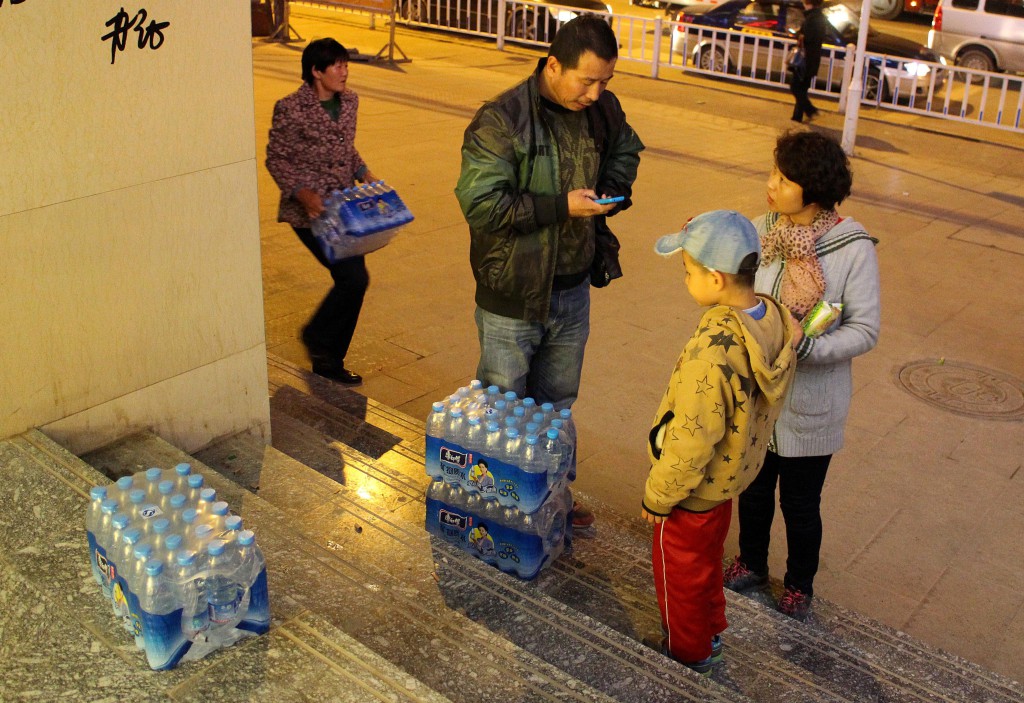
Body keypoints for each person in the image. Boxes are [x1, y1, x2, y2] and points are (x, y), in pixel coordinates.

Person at [454, 15, 644, 528]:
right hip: (512, 295)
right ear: (553, 65)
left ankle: (553, 496)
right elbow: (483, 205)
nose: (596, 92)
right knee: (502, 407)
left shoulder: (602, 109)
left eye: (606, 81)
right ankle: (493, 508)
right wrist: (562, 206)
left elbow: (627, 147)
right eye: (587, 81)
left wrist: (611, 191)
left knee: (556, 406)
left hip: (572, 288)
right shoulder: (502, 118)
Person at [724, 130, 881, 621]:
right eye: (774, 172)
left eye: (784, 178)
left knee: (800, 503)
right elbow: (728, 281)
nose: (771, 184)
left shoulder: (852, 248)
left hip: (811, 404)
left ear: (811, 189)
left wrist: (807, 346)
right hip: (757, 394)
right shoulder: (760, 229)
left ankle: (798, 584)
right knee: (750, 488)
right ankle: (750, 561)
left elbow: (865, 329)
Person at [642, 210, 796, 674]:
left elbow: (692, 439)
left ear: (714, 277)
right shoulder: (769, 317)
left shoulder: (713, 353)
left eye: (688, 272)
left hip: (692, 493)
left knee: (680, 576)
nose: (686, 280)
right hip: (728, 481)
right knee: (706, 565)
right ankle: (710, 632)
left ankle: (689, 653)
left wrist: (659, 496)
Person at [266, 38, 379, 385]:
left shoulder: (350, 103)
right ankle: (319, 341)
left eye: (346, 64)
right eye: (337, 65)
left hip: (342, 209)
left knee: (354, 281)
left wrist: (363, 172)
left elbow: (345, 147)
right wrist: (302, 193)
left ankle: (327, 357)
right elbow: (277, 158)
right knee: (353, 279)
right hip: (309, 213)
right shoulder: (291, 108)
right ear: (316, 71)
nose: (344, 71)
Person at [790, 0, 826, 122]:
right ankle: (797, 116)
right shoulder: (818, 17)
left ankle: (810, 109)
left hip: (805, 60)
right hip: (811, 60)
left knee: (796, 87)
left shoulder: (813, 18)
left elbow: (808, 37)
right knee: (802, 88)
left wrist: (799, 35)